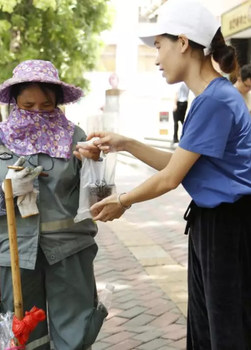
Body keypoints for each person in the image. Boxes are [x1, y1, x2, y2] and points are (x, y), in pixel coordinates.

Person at [76, 0, 251, 349]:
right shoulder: (210, 98)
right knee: (206, 329)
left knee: (226, 332)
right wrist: (126, 143)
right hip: (215, 224)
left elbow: (171, 178)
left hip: (229, 228)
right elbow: (180, 166)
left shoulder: (215, 100)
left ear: (182, 43)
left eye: (159, 45)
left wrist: (123, 200)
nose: (156, 58)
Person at [0, 60, 106, 350]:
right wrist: (8, 191)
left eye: (45, 105)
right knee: (23, 336)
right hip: (16, 255)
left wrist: (95, 165)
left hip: (70, 251)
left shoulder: (76, 137)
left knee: (75, 335)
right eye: (28, 105)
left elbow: (100, 201)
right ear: (14, 102)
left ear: (57, 102)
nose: (37, 113)